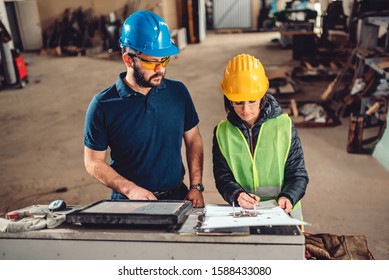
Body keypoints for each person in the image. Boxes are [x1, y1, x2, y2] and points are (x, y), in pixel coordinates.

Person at [83, 10, 205, 207]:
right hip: (128, 201)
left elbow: (193, 140)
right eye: (152, 62)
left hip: (178, 196)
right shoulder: (103, 105)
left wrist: (196, 186)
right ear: (128, 59)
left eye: (164, 60)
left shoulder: (178, 93)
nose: (161, 69)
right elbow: (93, 162)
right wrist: (129, 188)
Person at [212, 54, 308, 220]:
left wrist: (289, 196)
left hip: (284, 213)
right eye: (238, 102)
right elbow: (223, 178)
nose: (246, 110)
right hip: (245, 213)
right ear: (228, 100)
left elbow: (298, 175)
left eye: (252, 101)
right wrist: (236, 194)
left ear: (262, 96)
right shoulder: (222, 132)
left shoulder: (284, 126)